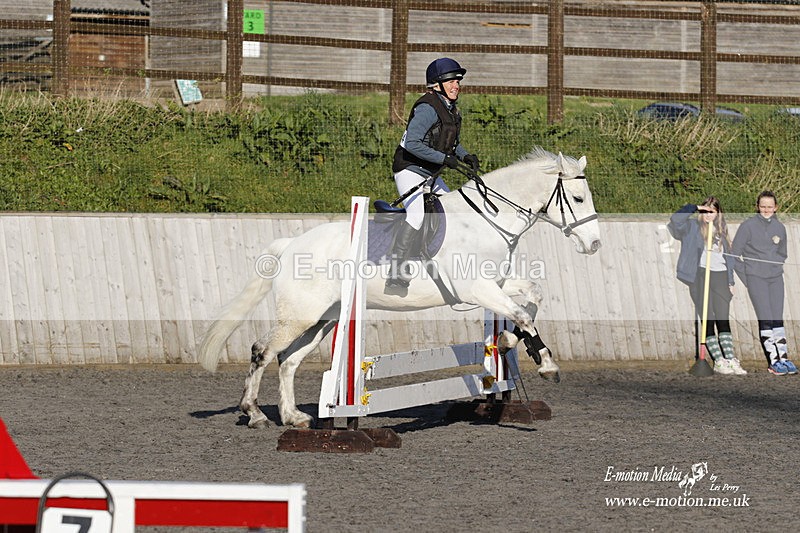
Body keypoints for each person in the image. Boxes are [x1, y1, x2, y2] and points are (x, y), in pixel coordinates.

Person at [386, 57, 479, 291]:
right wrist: (444, 159)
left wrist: (465, 156)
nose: (457, 85)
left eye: (458, 81)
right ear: (437, 84)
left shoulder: (451, 109)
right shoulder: (427, 108)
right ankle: (395, 270)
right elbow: (412, 144)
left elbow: (451, 143)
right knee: (417, 215)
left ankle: (445, 259)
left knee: (451, 211)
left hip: (430, 172)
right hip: (409, 168)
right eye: (451, 81)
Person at [668, 197, 747, 375]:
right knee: (708, 317)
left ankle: (730, 358)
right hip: (701, 276)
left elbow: (729, 259)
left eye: (712, 211)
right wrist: (695, 207)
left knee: (722, 317)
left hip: (720, 276)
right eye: (705, 211)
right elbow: (675, 220)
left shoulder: (722, 232)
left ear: (718, 213)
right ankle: (718, 360)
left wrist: (730, 281)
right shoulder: (691, 227)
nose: (708, 215)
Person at [731, 191, 797, 376]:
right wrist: (748, 275)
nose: (766, 210)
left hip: (775, 278)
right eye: (763, 206)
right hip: (756, 278)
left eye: (770, 207)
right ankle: (773, 361)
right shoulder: (747, 226)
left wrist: (775, 266)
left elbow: (782, 253)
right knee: (766, 317)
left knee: (777, 317)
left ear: (776, 208)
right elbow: (733, 255)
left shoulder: (779, 227)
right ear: (757, 207)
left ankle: (783, 357)